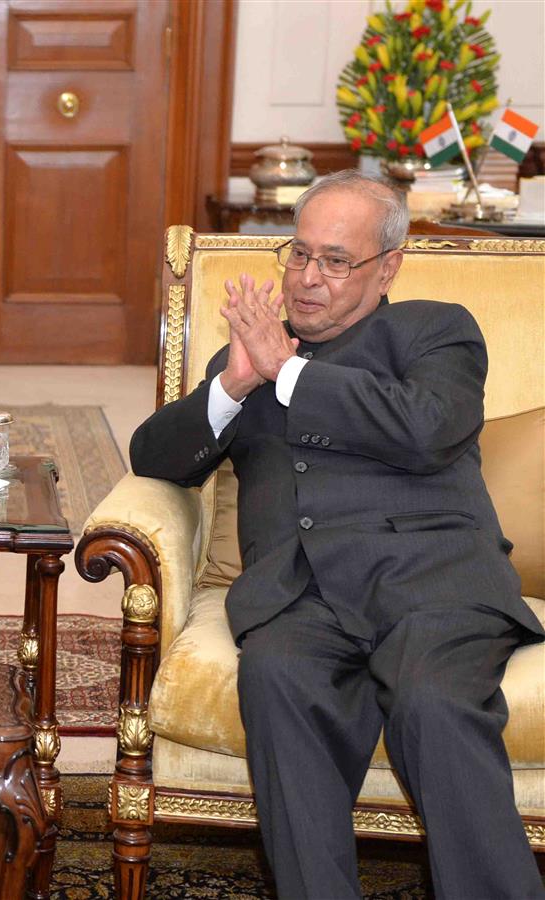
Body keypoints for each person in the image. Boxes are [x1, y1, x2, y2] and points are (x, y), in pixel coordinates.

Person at [129, 170, 544, 898]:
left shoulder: (434, 331)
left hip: (433, 584)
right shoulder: (252, 361)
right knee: (276, 676)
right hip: (301, 596)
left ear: (387, 268)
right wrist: (231, 388)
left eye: (334, 260)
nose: (307, 277)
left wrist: (288, 373)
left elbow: (426, 429)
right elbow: (153, 458)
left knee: (433, 705)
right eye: (298, 254)